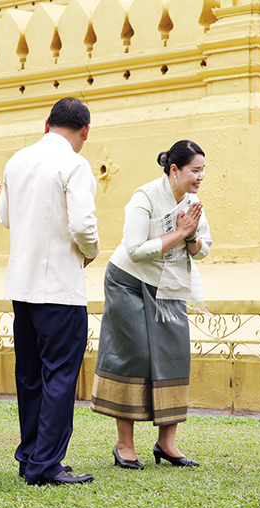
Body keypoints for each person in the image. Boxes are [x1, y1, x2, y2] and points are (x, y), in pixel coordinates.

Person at [90, 140, 211, 469]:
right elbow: (135, 249)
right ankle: (124, 445)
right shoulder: (145, 197)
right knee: (133, 354)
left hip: (168, 282)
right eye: (195, 171)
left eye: (203, 171)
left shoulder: (192, 201)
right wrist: (180, 232)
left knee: (174, 352)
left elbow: (203, 248)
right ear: (175, 170)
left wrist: (190, 236)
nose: (200, 177)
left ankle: (166, 444)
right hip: (126, 281)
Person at [0, 97, 99, 486]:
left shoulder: (17, 160)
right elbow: (84, 225)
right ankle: (45, 464)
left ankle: (30, 456)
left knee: (29, 375)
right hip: (59, 287)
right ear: (84, 132)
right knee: (59, 374)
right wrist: (89, 253)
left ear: (47, 124)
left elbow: (5, 217)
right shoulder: (74, 163)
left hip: (21, 287)